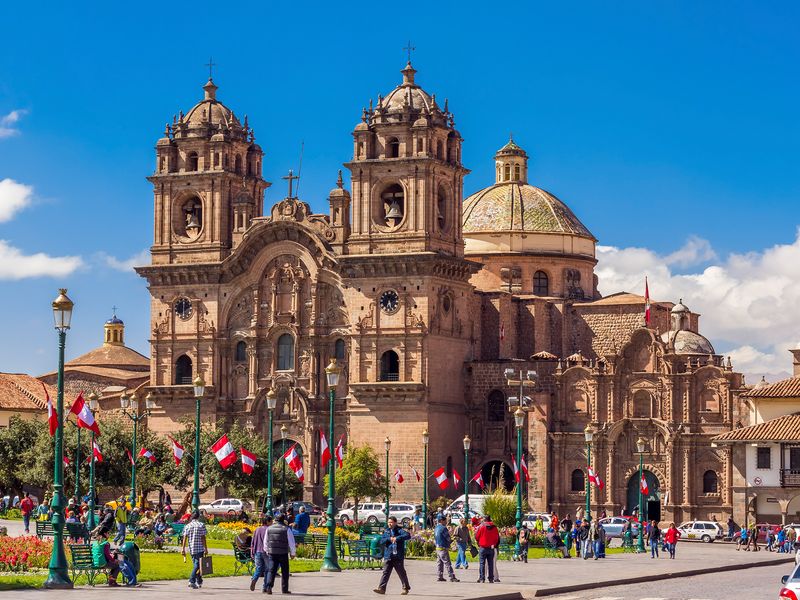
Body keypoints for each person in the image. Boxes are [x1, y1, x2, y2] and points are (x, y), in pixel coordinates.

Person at [374, 516, 411, 595]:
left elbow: (408, 536)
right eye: (388, 522)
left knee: (401, 573)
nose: (389, 524)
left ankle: (405, 588)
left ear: (395, 523)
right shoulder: (386, 531)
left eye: (391, 522)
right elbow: (381, 541)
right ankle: (381, 589)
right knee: (385, 572)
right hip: (388, 555)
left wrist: (397, 538)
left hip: (397, 556)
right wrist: (389, 539)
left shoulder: (400, 530)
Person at [265, 514, 296, 595]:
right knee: (285, 571)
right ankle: (284, 589)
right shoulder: (286, 529)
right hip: (283, 553)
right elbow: (291, 542)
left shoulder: (269, 528)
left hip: (272, 553)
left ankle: (268, 587)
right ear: (283, 520)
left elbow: (266, 541)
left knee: (271, 570)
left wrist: (267, 551)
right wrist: (293, 553)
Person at [181, 510, 208, 590]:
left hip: (191, 548)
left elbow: (184, 538)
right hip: (199, 548)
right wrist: (206, 548)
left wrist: (183, 548)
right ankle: (191, 581)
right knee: (198, 565)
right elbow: (203, 538)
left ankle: (199, 580)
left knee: (196, 565)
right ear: (198, 516)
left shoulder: (188, 526)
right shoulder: (201, 525)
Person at [250, 515, 273, 592]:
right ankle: (265, 587)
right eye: (271, 521)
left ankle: (254, 579)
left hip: (257, 551)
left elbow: (253, 542)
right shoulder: (269, 530)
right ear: (267, 521)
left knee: (258, 569)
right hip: (266, 552)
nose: (272, 523)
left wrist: (252, 552)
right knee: (267, 569)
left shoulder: (257, 529)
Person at [474, 515, 499, 584]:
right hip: (491, 547)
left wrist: (479, 541)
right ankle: (491, 578)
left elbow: (476, 536)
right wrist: (493, 543)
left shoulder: (481, 526)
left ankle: (482, 578)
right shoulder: (494, 527)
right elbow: (497, 538)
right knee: (490, 564)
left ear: (484, 520)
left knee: (482, 563)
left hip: (483, 547)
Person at [433, 515, 458, 582]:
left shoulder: (436, 527)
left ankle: (439, 576)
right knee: (447, 563)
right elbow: (448, 538)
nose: (446, 522)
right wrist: (453, 539)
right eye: (445, 520)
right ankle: (452, 577)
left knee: (439, 563)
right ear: (442, 520)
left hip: (438, 547)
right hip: (443, 548)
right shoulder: (443, 528)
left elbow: (435, 537)